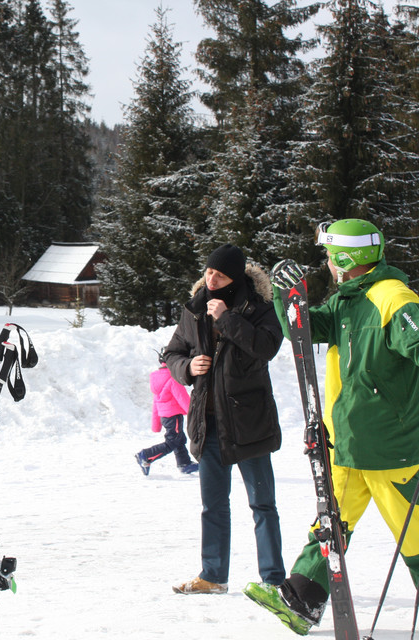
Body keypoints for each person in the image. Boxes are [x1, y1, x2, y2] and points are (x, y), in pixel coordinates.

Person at [246, 219, 419, 636]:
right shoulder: (347, 301)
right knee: (330, 525)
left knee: (414, 540)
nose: (325, 262)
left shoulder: (394, 300)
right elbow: (303, 331)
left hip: (389, 451)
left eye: (328, 254)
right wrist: (291, 298)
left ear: (347, 258)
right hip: (345, 445)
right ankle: (301, 600)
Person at [163, 243, 285, 596]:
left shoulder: (259, 309)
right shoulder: (195, 309)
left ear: (236, 277)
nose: (210, 279)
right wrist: (187, 367)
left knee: (263, 505)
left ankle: (274, 580)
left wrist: (226, 319)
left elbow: (265, 348)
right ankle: (213, 576)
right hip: (208, 424)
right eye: (208, 271)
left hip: (250, 424)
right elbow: (172, 352)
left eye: (219, 274)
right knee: (212, 505)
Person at [135, 350, 198, 475]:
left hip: (165, 416)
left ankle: (184, 463)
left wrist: (156, 424)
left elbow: (156, 403)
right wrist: (195, 413)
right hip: (173, 415)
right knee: (172, 441)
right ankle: (146, 455)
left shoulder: (157, 379)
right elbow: (183, 398)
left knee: (178, 438)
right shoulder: (172, 377)